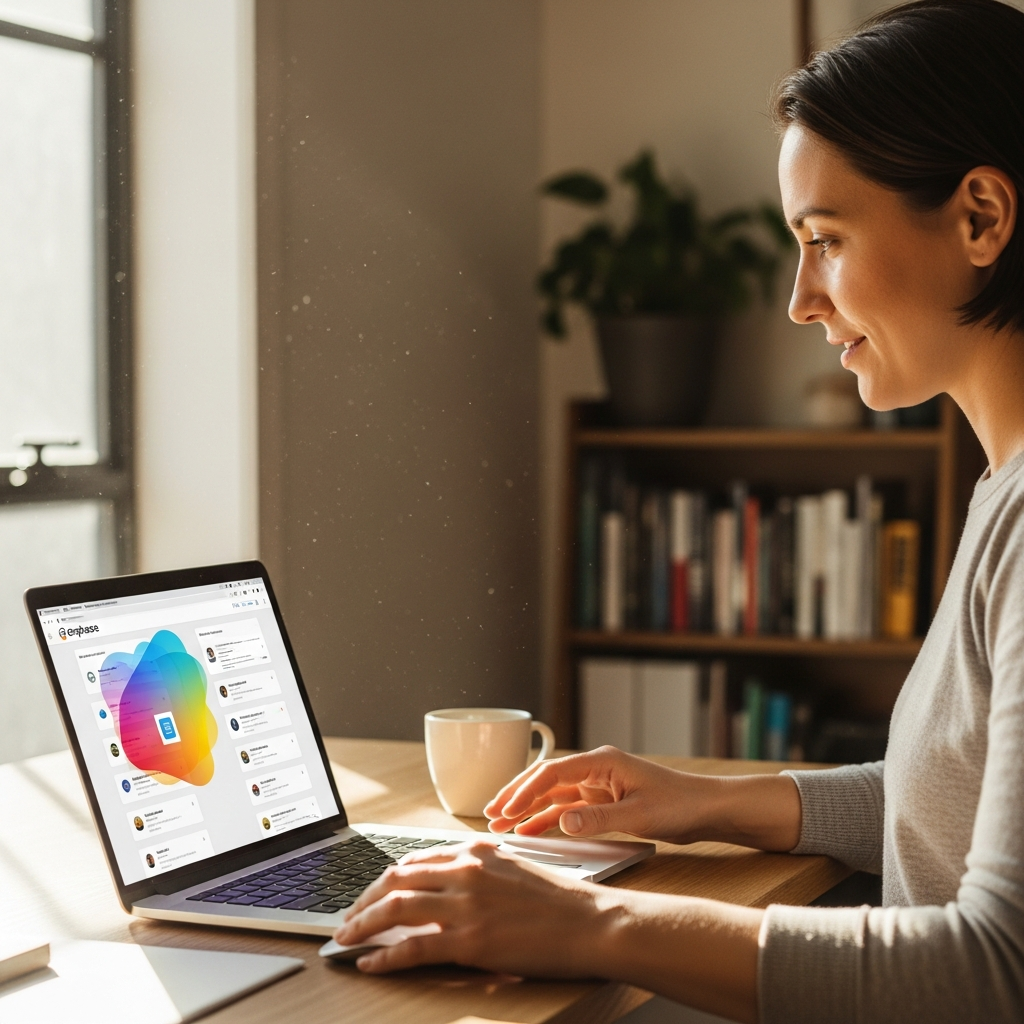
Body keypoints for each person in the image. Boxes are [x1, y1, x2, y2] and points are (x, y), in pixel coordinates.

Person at [332, 2, 1024, 1020]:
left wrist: (585, 924)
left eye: (824, 239)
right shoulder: (1000, 488)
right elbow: (951, 810)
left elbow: (991, 969)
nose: (799, 298)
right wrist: (706, 800)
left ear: (979, 217)